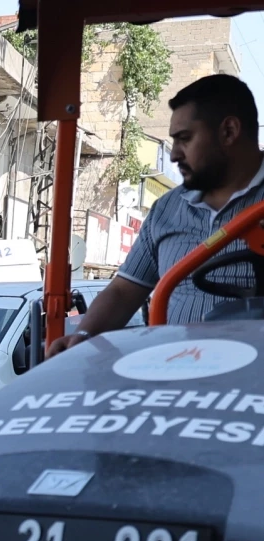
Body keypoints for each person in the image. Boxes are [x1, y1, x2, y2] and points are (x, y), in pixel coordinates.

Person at [50, 74, 264, 355]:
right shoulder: (167, 209)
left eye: (185, 139)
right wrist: (84, 335)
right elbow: (124, 290)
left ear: (229, 131)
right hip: (172, 374)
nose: (174, 155)